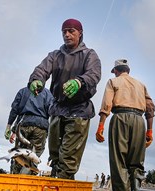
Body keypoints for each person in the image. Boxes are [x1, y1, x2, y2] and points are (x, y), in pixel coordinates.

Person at [27, 18, 101, 179]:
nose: (67, 35)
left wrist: (80, 81)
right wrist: (36, 80)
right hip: (58, 108)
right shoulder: (55, 55)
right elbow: (41, 70)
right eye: (64, 32)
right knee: (55, 154)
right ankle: (55, 188)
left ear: (80, 33)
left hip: (79, 111)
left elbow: (94, 74)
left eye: (71, 31)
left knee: (68, 158)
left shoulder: (89, 54)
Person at [95, 58, 155, 191]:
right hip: (139, 120)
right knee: (136, 160)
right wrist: (149, 131)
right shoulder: (141, 85)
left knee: (118, 160)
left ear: (116, 70)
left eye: (114, 71)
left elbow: (106, 104)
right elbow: (151, 109)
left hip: (120, 118)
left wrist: (101, 126)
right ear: (127, 70)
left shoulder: (113, 82)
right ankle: (136, 189)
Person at [4, 86, 53, 175]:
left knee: (19, 156)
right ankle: (26, 182)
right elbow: (52, 111)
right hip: (41, 127)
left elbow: (15, 109)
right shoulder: (47, 94)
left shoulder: (23, 91)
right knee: (34, 157)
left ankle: (16, 182)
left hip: (24, 124)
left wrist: (9, 126)